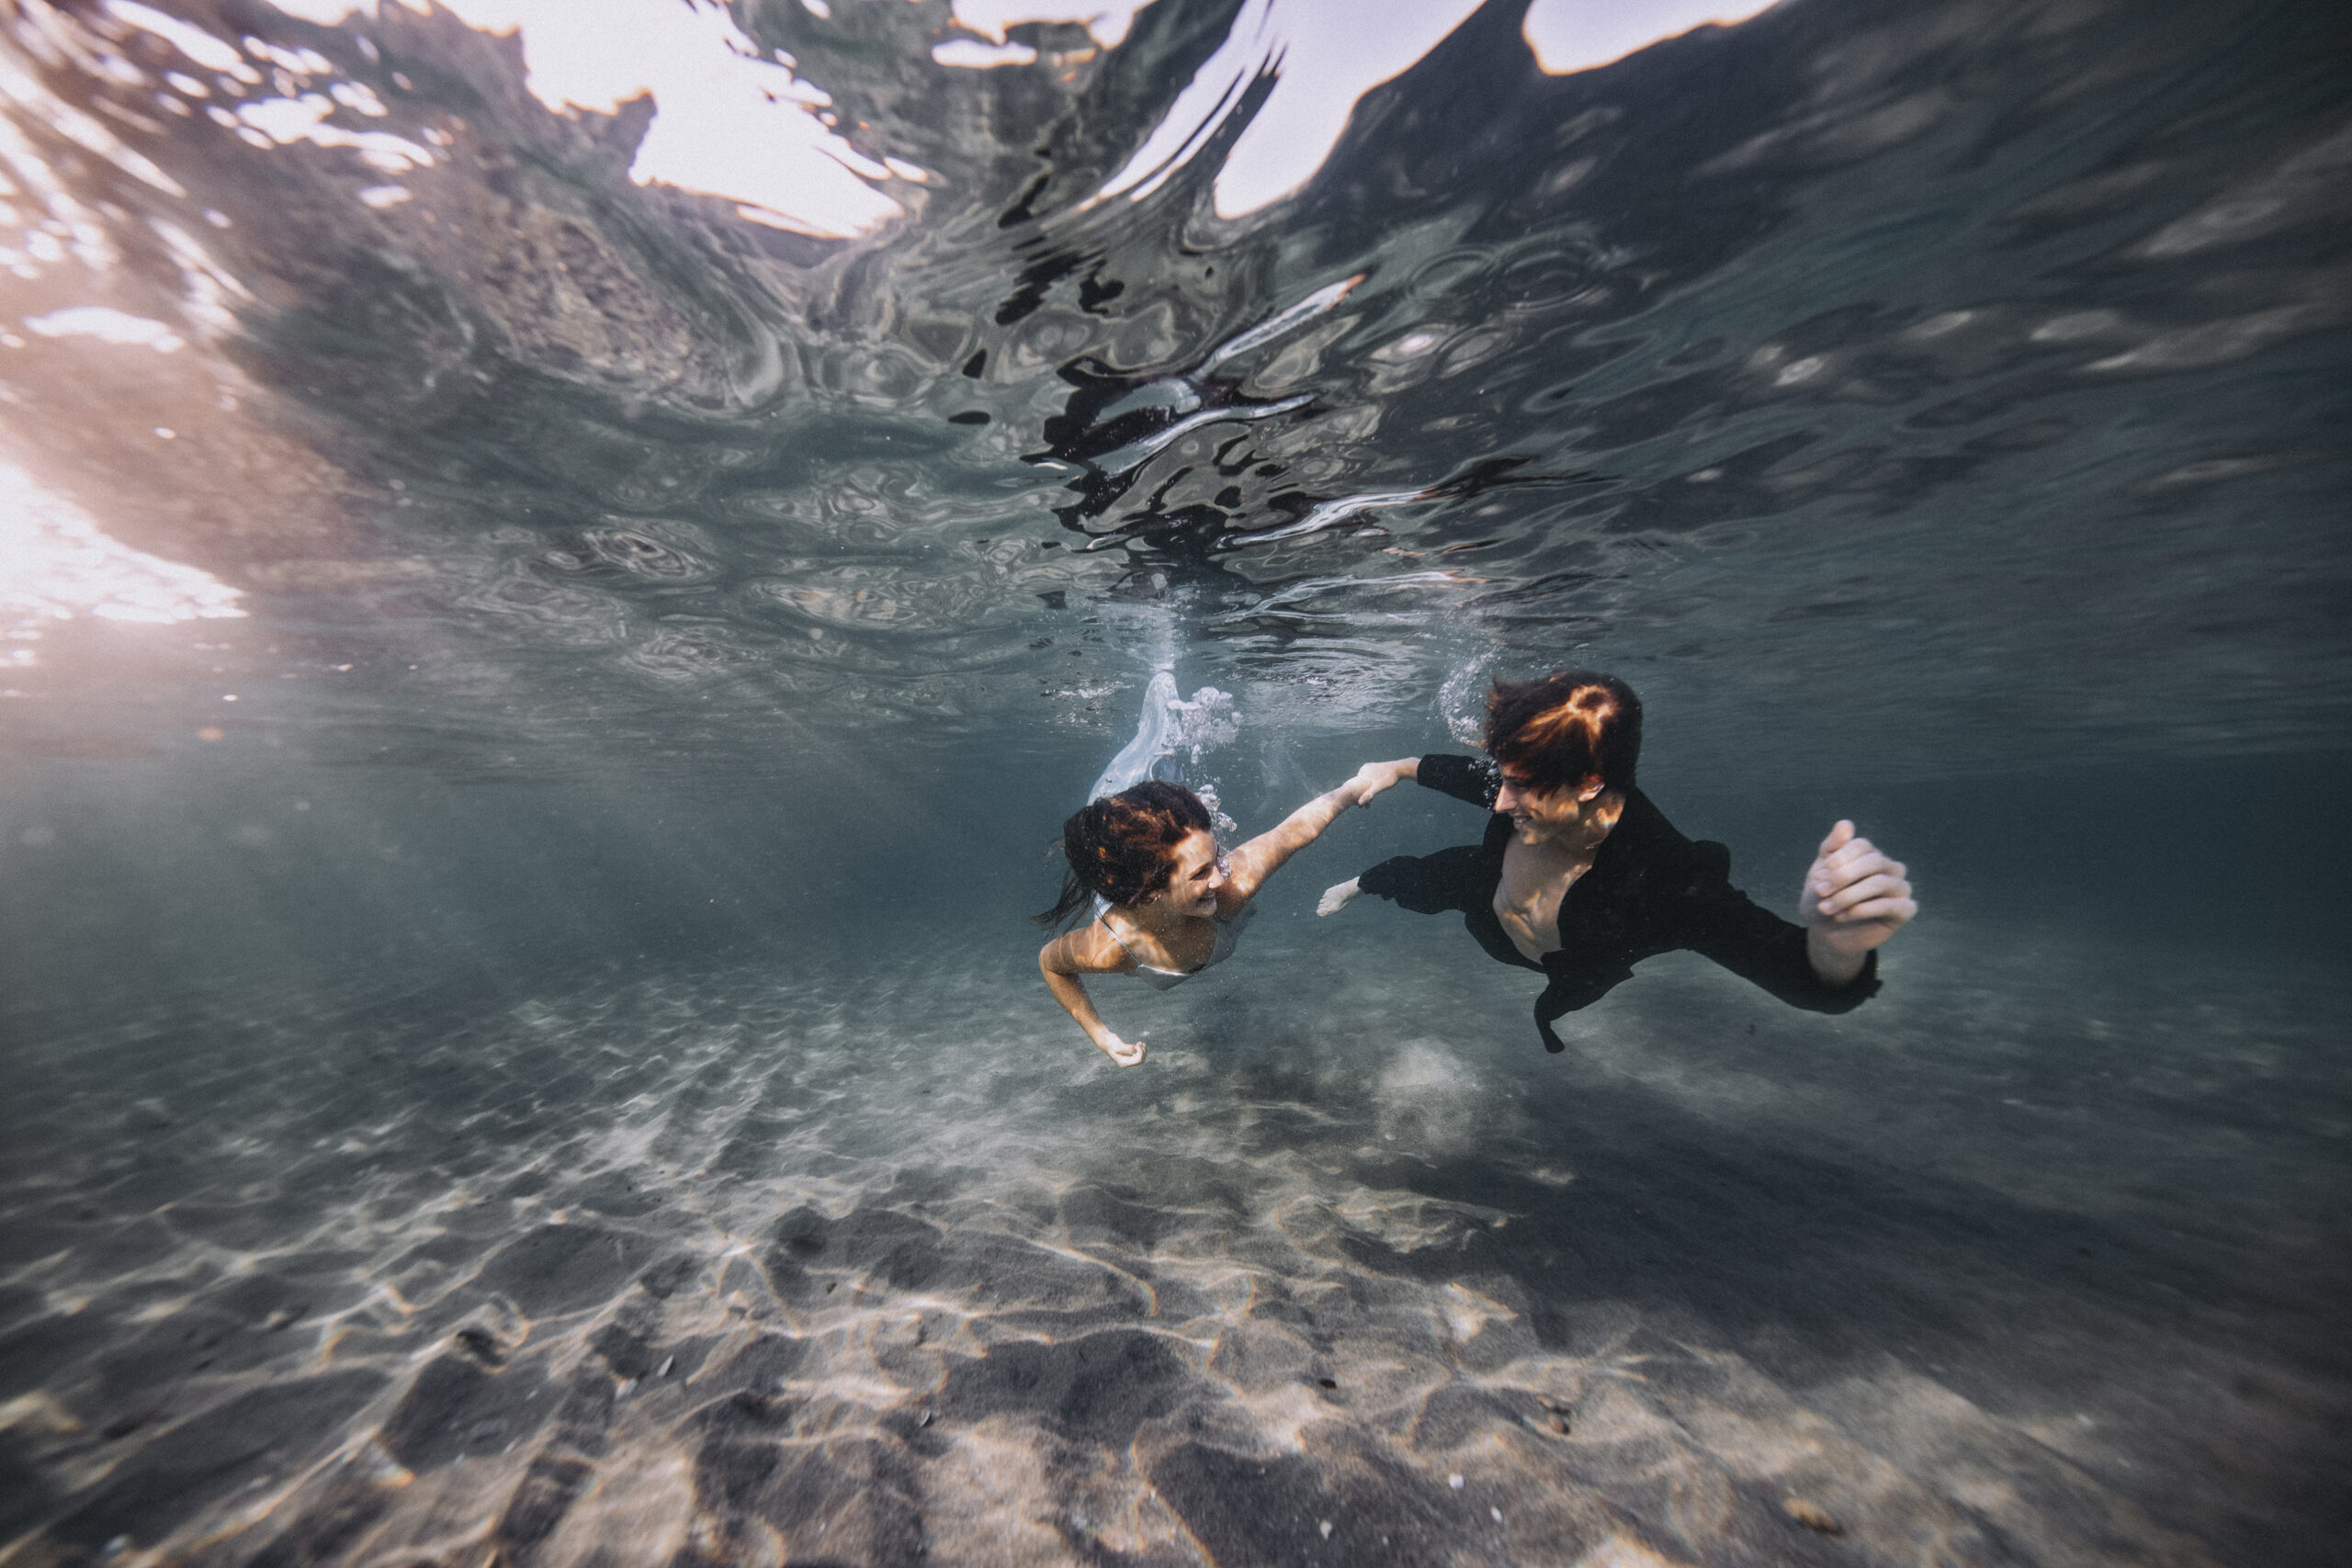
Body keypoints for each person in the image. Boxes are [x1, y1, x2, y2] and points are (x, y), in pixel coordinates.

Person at [1317, 671, 1916, 1053]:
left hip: (1574, 965)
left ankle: (1380, 887)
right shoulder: (1528, 786)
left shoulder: (1666, 881)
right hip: (1487, 897)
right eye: (1504, 777)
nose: (1500, 798)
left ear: (1588, 784)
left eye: (1520, 785)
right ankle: (1362, 883)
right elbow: (1467, 775)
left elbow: (1799, 976)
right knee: (1421, 877)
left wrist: (1838, 947)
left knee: (1532, 981)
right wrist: (1391, 768)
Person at [1037, 772, 1384, 1066]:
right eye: (1200, 873)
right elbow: (1051, 964)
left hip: (1164, 895)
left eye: (1217, 858)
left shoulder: (1233, 886)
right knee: (1107, 822)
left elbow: (1293, 832)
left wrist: (1359, 784)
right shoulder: (1112, 948)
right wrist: (1102, 1036)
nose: (1220, 878)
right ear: (1151, 889)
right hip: (1126, 885)